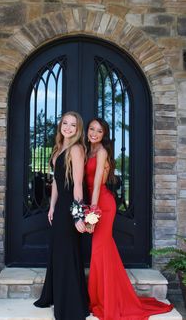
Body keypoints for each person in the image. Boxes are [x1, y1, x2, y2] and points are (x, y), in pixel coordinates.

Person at [85, 117, 174, 320]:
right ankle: (103, 298)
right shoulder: (88, 150)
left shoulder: (101, 152)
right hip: (94, 202)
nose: (94, 133)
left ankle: (107, 301)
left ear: (104, 134)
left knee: (100, 251)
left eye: (99, 131)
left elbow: (98, 184)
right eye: (92, 129)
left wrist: (92, 214)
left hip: (102, 205)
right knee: (104, 252)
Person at [34, 111, 89, 320]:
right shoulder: (58, 149)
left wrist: (78, 215)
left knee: (67, 252)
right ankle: (55, 295)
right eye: (65, 123)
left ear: (78, 129)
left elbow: (77, 185)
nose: (67, 127)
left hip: (71, 207)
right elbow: (56, 181)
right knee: (58, 251)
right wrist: (52, 206)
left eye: (73, 125)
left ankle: (71, 304)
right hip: (60, 208)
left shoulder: (76, 149)